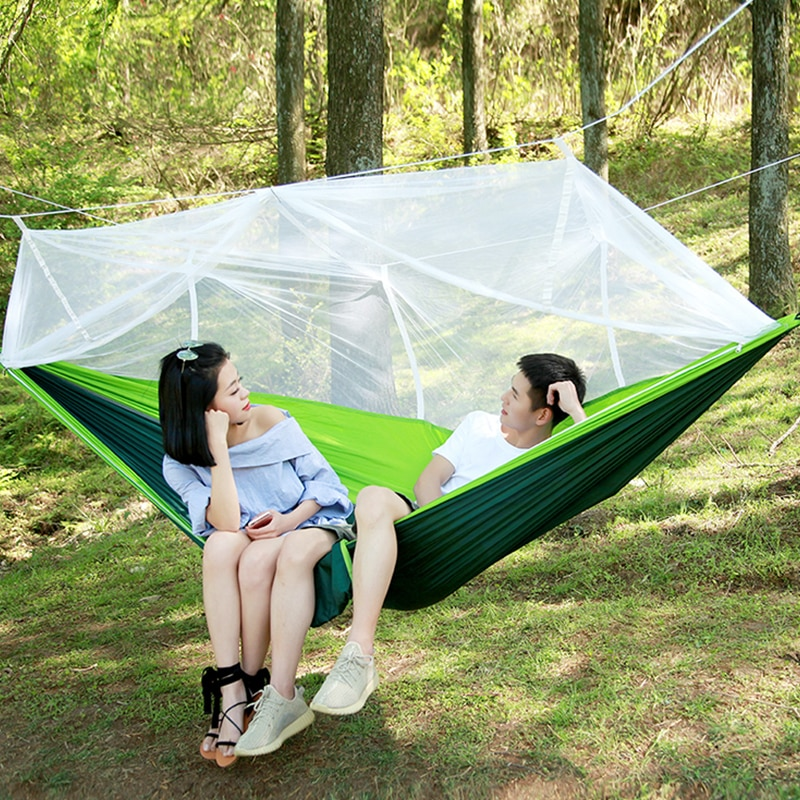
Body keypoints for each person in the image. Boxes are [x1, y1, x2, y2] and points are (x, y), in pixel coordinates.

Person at [308, 352, 587, 717]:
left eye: (515, 395)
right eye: (510, 388)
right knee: (373, 496)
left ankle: (357, 657)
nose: (503, 397)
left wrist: (575, 409)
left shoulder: (545, 461)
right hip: (424, 521)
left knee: (370, 506)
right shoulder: (478, 424)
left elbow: (592, 455)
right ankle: (359, 653)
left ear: (542, 415)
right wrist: (440, 524)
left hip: (459, 549)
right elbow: (427, 482)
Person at [158, 342, 354, 767]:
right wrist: (218, 450)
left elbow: (327, 486)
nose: (245, 394)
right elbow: (226, 522)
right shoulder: (180, 461)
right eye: (232, 391)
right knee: (218, 545)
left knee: (254, 560)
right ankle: (233, 687)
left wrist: (287, 521)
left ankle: (248, 683)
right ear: (204, 410)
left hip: (302, 523)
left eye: (240, 382)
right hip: (246, 534)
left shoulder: (271, 421)